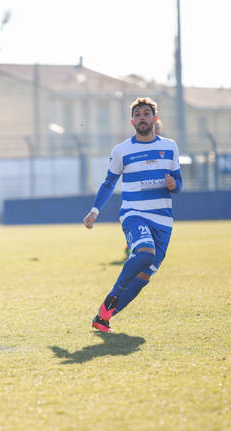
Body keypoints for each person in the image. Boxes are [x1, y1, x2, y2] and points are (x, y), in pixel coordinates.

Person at [83, 97, 182, 332]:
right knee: (146, 253)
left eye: (146, 113)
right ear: (132, 121)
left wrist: (173, 184)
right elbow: (108, 183)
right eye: (137, 114)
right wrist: (95, 210)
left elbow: (178, 183)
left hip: (163, 220)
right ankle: (112, 295)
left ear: (154, 119)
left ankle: (103, 317)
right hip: (134, 213)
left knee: (143, 277)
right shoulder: (122, 150)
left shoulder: (170, 147)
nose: (142, 117)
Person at [121, 117, 164, 261]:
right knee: (137, 224)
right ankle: (133, 248)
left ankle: (139, 249)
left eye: (158, 128)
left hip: (156, 200)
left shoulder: (164, 147)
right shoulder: (133, 147)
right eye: (155, 127)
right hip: (137, 197)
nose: (156, 130)